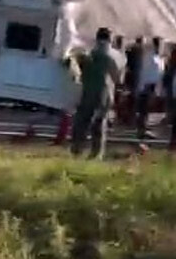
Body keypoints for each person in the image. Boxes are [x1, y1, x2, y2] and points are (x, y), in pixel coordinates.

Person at [71, 27, 123, 160]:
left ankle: (77, 150)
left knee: (82, 123)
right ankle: (96, 153)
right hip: (104, 94)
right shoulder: (112, 56)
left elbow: (78, 73)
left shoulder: (89, 54)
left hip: (88, 92)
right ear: (110, 39)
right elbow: (117, 78)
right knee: (99, 124)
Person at [135, 37, 165, 140]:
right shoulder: (151, 57)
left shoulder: (157, 58)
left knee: (147, 109)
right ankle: (141, 131)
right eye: (160, 45)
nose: (162, 48)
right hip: (147, 85)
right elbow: (146, 72)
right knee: (144, 109)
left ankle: (143, 129)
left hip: (152, 85)